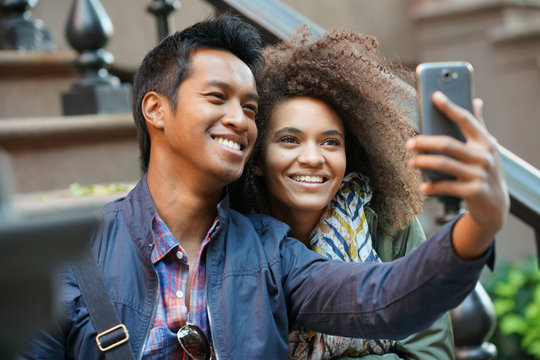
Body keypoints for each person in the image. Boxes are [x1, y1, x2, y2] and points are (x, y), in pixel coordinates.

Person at [18, 14, 506, 360]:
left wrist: (481, 223)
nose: (239, 119)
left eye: (251, 108)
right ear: (156, 110)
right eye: (217, 97)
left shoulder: (270, 251)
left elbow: (382, 299)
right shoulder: (71, 257)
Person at [229, 28, 456, 359]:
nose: (312, 158)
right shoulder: (233, 235)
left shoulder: (391, 224)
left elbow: (430, 354)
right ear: (258, 159)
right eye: (289, 140)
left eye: (330, 142)